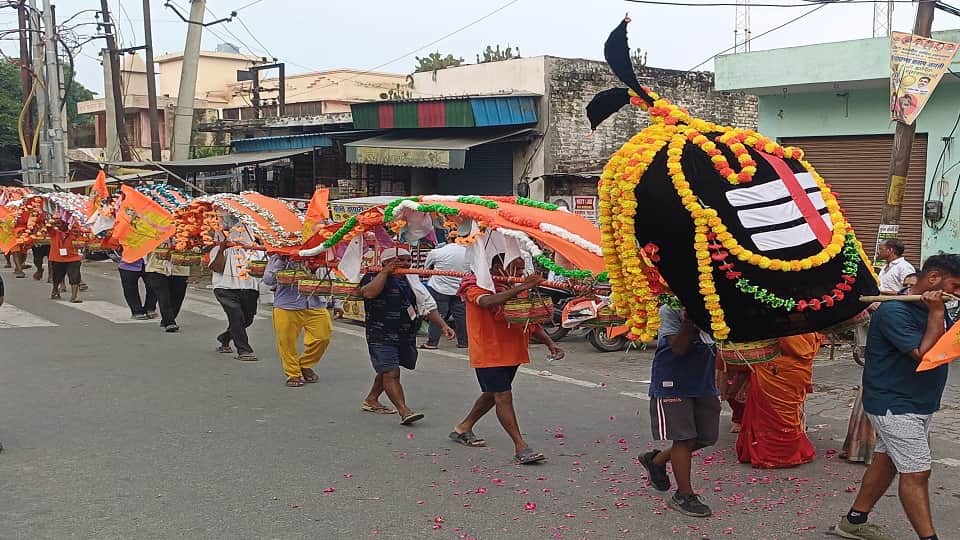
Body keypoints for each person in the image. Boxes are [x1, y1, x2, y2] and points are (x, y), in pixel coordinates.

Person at [835, 254, 960, 540]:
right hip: (895, 403)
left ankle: (853, 521)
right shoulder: (895, 312)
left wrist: (941, 313)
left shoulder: (935, 306)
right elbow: (924, 355)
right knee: (917, 473)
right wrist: (937, 313)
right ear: (933, 279)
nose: (957, 294)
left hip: (918, 401)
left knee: (888, 461)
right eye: (955, 286)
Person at [450, 253, 563, 464]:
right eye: (517, 270)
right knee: (502, 395)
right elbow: (486, 301)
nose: (520, 274)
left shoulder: (513, 286)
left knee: (492, 393)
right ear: (498, 267)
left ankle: (463, 428)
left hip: (512, 351)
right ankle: (521, 446)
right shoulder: (474, 284)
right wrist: (522, 286)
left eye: (522, 271)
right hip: (488, 351)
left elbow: (527, 318)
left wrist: (550, 342)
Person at [638, 302, 720, 518]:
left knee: (706, 437)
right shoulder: (670, 310)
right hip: (672, 382)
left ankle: (656, 461)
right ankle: (684, 495)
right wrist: (691, 319)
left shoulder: (715, 306)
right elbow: (679, 348)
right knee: (683, 438)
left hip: (703, 382)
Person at [359, 247, 454, 424]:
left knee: (389, 369)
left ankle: (372, 399)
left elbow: (426, 304)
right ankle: (404, 411)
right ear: (386, 262)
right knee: (391, 371)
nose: (406, 264)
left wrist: (443, 326)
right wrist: (386, 272)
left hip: (405, 333)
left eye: (408, 260)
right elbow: (369, 293)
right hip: (380, 334)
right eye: (400, 260)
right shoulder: (373, 276)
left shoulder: (410, 279)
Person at [736, 333, 819, 468]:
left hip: (778, 368)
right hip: (784, 369)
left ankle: (776, 454)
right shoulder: (807, 325)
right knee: (778, 413)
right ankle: (781, 452)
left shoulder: (787, 327)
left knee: (778, 413)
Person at [263, 255, 343, 387]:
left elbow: (333, 279)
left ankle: (305, 364)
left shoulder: (324, 255)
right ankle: (293, 374)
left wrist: (337, 303)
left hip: (316, 304)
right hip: (287, 304)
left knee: (323, 337)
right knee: (286, 342)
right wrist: (282, 261)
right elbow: (268, 280)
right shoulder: (279, 257)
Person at [208, 238, 262, 361]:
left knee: (247, 320)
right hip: (225, 288)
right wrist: (222, 249)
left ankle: (225, 337)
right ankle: (244, 350)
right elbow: (216, 268)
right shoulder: (218, 249)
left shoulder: (255, 249)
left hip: (249, 288)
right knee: (236, 315)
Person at [421, 235, 469, 349]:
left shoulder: (437, 252)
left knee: (437, 315)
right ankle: (464, 342)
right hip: (459, 289)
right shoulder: (469, 253)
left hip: (439, 288)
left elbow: (425, 270)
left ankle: (432, 342)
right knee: (461, 316)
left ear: (448, 239)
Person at [143, 249, 190, 333]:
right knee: (163, 296)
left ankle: (168, 318)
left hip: (180, 269)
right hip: (156, 268)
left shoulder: (186, 236)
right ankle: (169, 322)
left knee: (178, 297)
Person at [49, 220, 82, 303]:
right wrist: (54, 222)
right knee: (57, 277)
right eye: (58, 224)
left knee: (75, 276)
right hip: (57, 257)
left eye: (62, 223)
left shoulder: (74, 229)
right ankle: (55, 290)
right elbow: (48, 228)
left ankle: (74, 296)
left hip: (73, 257)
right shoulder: (54, 231)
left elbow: (81, 233)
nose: (60, 225)